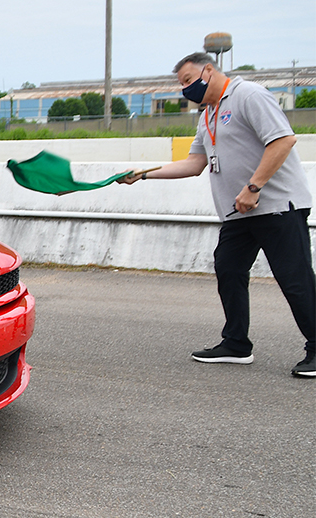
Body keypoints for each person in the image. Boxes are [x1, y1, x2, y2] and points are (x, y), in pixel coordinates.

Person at [118, 52, 315, 378]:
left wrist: (254, 186)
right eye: (182, 84)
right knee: (229, 269)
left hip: (276, 205)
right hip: (238, 213)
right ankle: (236, 343)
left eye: (188, 81)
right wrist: (143, 173)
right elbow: (194, 164)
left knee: (294, 279)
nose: (185, 89)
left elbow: (283, 140)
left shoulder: (248, 95)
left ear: (208, 70)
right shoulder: (208, 114)